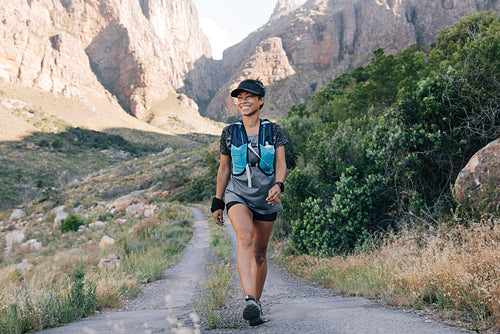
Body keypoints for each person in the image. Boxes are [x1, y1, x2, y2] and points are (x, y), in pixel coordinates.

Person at [211, 79, 288, 326]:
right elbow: (224, 168)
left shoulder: (274, 130)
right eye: (239, 97)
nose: (243, 101)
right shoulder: (229, 132)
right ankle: (249, 299)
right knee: (245, 238)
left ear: (261, 100)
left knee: (260, 253)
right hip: (238, 194)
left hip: (267, 197)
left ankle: (256, 303)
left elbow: (281, 163)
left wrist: (279, 185)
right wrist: (218, 200)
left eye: (249, 96)